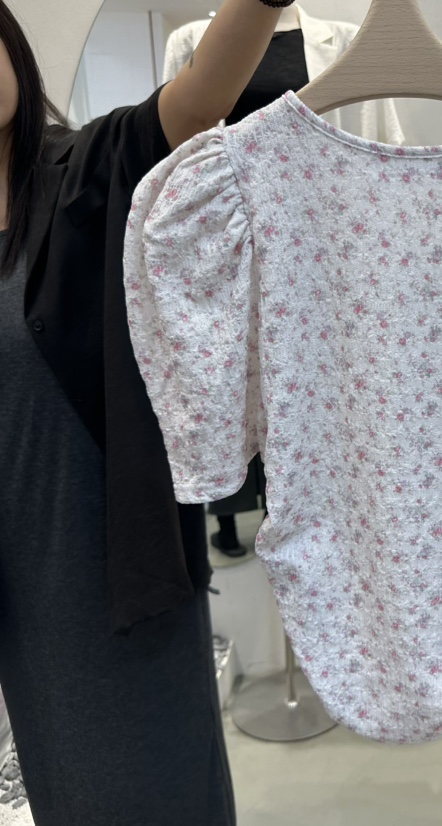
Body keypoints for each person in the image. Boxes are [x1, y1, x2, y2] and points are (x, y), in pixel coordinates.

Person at [0, 1, 291, 823]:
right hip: (21, 600)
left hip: (116, 578)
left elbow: (198, 101)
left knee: (159, 793)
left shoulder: (86, 172)